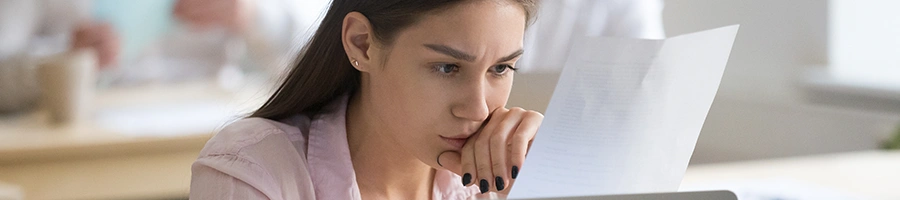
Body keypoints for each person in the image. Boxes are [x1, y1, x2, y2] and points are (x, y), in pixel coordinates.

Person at [190, 0, 544, 199]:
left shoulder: (498, 185)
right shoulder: (255, 171)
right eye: (447, 68)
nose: (478, 108)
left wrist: (552, 183)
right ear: (362, 43)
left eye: (500, 68)